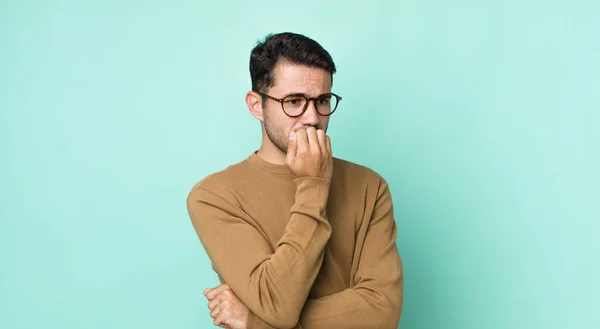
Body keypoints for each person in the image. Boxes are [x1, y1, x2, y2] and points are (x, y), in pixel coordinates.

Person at [187, 32, 403, 329]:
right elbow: (278, 305)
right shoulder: (215, 196)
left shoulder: (369, 186)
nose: (312, 117)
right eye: (294, 101)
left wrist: (255, 321)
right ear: (255, 105)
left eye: (322, 100)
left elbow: (382, 310)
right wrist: (314, 184)